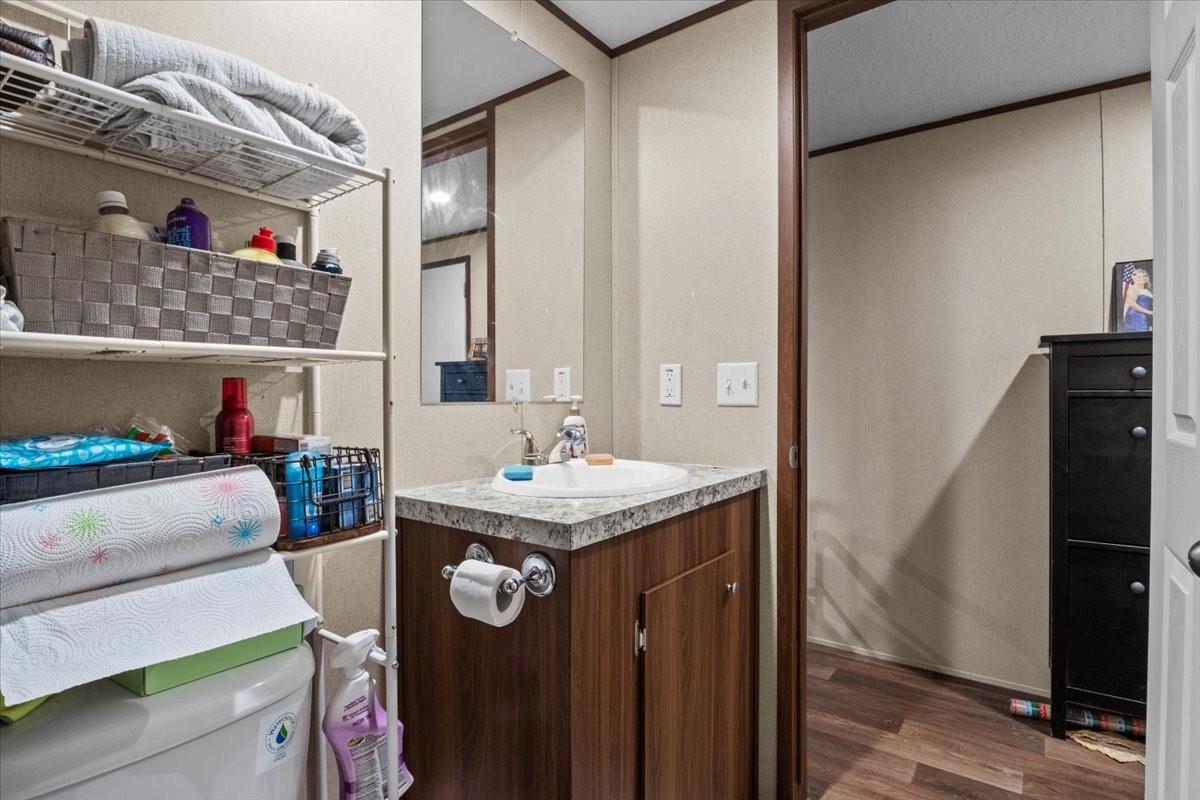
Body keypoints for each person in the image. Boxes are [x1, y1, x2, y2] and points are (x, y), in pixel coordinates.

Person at [1123, 268, 1153, 332]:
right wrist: (1149, 312)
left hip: (1144, 318)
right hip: (1136, 319)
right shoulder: (1135, 288)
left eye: (1144, 276)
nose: (1142, 278)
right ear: (1134, 278)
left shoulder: (1146, 289)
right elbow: (1131, 303)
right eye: (1139, 277)